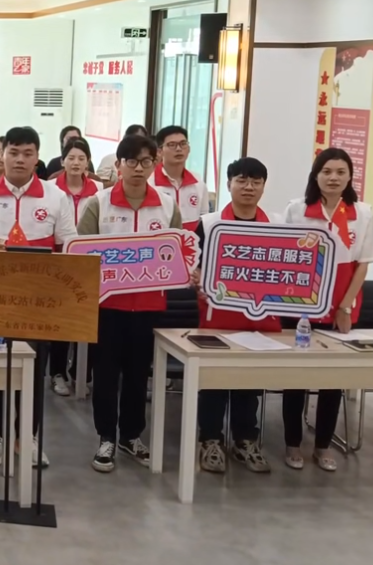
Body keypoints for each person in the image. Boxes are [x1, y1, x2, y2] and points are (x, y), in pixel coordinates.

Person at [0, 127, 76, 468]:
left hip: (38, 298)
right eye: (13, 152)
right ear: (1, 155)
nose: (20, 159)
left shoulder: (55, 196)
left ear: (37, 157)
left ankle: (29, 437)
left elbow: (69, 246)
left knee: (34, 367)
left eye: (27, 153)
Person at [77, 134, 182, 473]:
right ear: (119, 164)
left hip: (149, 306)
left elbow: (177, 254)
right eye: (132, 161)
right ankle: (106, 436)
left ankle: (131, 435)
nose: (139, 168)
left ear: (155, 164)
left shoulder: (167, 204)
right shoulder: (99, 203)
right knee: (106, 375)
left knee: (139, 376)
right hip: (108, 306)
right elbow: (81, 253)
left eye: (146, 161)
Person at [281, 148, 373, 472]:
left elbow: (363, 264)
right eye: (326, 172)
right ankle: (292, 442)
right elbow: (286, 257)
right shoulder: (297, 209)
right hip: (302, 302)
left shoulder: (362, 213)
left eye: (340, 172)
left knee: (332, 377)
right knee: (296, 377)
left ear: (350, 176)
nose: (333, 178)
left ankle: (323, 444)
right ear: (316, 175)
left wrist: (345, 306)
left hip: (342, 302)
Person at [191, 157, 277, 475]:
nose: (249, 187)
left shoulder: (276, 225)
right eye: (241, 180)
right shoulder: (209, 222)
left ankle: (244, 440)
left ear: (264, 186)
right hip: (218, 315)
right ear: (228, 184)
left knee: (249, 381)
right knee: (214, 381)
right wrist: (196, 276)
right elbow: (193, 264)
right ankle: (210, 439)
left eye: (256, 181)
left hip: (259, 316)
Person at [45, 136, 100, 397]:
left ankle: (82, 373)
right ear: (62, 161)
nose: (76, 163)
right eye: (71, 158)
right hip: (59, 264)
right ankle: (57, 372)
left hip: (91, 265)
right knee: (61, 320)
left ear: (88, 162)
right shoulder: (50, 189)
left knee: (86, 321)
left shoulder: (99, 191)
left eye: (81, 158)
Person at [150, 125, 208, 232]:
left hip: (193, 241)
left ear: (189, 149)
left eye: (183, 144)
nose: (178, 149)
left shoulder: (198, 183)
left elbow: (204, 220)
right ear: (159, 151)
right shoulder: (149, 182)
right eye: (172, 145)